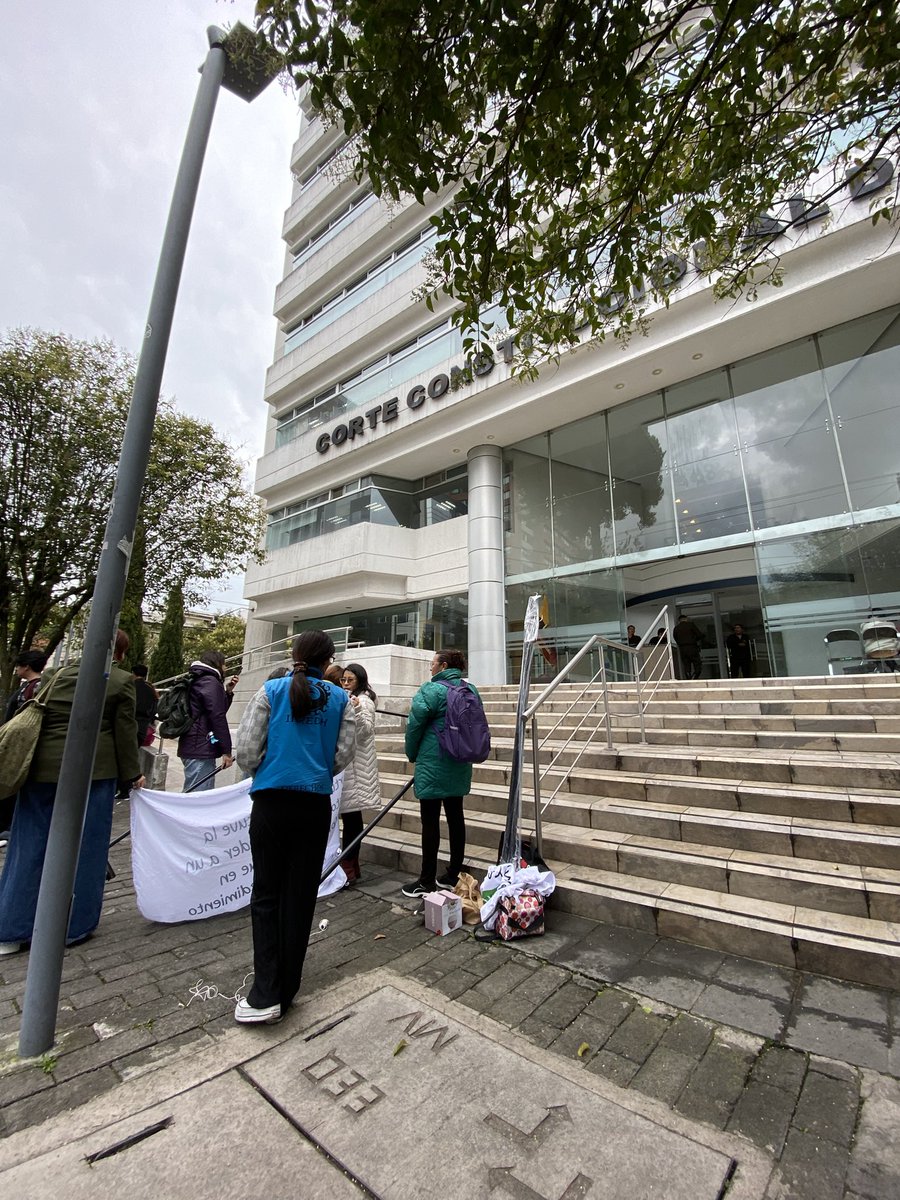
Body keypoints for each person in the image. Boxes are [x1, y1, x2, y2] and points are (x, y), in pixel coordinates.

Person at [233, 631, 356, 1024]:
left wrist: (271, 767)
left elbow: (247, 751)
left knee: (266, 893)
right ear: (329, 659)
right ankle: (287, 989)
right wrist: (315, 768)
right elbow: (343, 755)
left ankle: (265, 992)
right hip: (314, 803)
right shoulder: (341, 699)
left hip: (271, 801)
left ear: (295, 654)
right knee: (301, 896)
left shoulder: (270, 691)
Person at [0, 629, 144, 956]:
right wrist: (133, 773)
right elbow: (125, 733)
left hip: (40, 770)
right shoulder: (119, 682)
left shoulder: (54, 675)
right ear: (120, 653)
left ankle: (11, 927)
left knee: (29, 846)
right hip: (93, 771)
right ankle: (73, 926)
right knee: (86, 848)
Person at [402, 649, 479, 897]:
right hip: (460, 760)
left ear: (443, 665)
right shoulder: (470, 689)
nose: (430, 668)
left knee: (430, 821)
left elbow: (414, 726)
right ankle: (453, 872)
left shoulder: (431, 690)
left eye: (433, 663)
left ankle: (426, 880)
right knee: (456, 816)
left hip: (433, 762)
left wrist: (412, 754)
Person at [339, 662, 380, 884]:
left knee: (352, 818)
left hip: (357, 767)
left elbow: (365, 729)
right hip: (351, 766)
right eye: (343, 679)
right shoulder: (351, 697)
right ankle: (350, 865)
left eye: (350, 680)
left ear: (360, 681)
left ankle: (348, 868)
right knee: (350, 816)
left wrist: (354, 707)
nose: (345, 683)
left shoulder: (363, 700)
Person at [177, 650, 238, 792]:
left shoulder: (199, 679)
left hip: (193, 744)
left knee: (194, 792)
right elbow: (217, 717)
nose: (226, 668)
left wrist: (227, 693)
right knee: (197, 797)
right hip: (200, 747)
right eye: (224, 664)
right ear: (217, 664)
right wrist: (226, 751)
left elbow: (213, 710)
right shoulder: (210, 682)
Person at [3, 650, 47, 723]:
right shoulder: (28, 685)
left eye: (18, 666)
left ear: (26, 667)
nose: (16, 669)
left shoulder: (37, 687)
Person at [132, 664, 158, 748]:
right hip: (142, 728)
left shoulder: (130, 686)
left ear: (133, 673)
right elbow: (154, 709)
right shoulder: (151, 689)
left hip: (129, 724)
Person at [673, 614, 704, 680]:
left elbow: (675, 637)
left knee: (686, 665)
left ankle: (688, 678)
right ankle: (695, 677)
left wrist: (680, 643)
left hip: (682, 648)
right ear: (686, 619)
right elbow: (699, 634)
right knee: (697, 663)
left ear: (679, 621)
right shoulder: (691, 625)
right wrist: (694, 640)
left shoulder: (676, 628)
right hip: (692, 646)